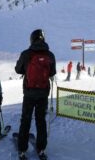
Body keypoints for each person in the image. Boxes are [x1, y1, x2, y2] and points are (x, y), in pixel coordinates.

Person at [15, 29, 56, 160]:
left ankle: (22, 149)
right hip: (43, 93)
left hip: (29, 93)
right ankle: (41, 148)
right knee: (41, 120)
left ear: (32, 39)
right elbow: (52, 72)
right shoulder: (50, 55)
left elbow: (18, 70)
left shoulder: (26, 54)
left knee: (25, 120)